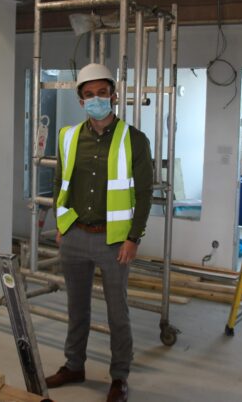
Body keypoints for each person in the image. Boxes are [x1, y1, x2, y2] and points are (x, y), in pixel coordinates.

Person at [46, 63, 153, 402]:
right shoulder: (68, 136)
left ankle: (119, 377)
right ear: (81, 100)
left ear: (114, 95)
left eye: (102, 93)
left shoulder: (134, 139)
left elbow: (145, 193)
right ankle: (73, 365)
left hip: (114, 241)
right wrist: (61, 225)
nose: (96, 100)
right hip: (75, 235)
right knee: (77, 308)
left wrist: (133, 238)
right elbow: (60, 184)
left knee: (117, 313)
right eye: (89, 95)